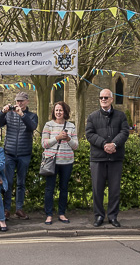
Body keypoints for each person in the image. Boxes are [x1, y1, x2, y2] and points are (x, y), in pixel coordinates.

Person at [85, 88, 130, 228]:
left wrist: (114, 144)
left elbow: (125, 132)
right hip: (98, 158)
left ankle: (112, 216)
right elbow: (89, 134)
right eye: (101, 98)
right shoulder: (92, 117)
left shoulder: (121, 116)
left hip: (115, 158)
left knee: (115, 189)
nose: (103, 100)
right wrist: (104, 144)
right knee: (97, 190)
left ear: (111, 99)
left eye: (106, 97)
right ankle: (98, 216)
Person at [0, 91, 39, 220]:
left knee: (21, 183)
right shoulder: (9, 115)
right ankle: (6, 209)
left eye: (21, 101)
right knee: (8, 182)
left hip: (24, 154)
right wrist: (2, 112)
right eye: (17, 101)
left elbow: (32, 127)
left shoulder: (32, 116)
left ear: (27, 102)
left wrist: (22, 115)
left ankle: (19, 209)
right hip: (10, 153)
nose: (19, 103)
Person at [41, 101, 78, 225]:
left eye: (60, 110)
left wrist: (68, 139)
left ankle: (61, 213)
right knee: (49, 189)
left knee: (64, 188)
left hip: (67, 161)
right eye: (56, 110)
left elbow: (76, 146)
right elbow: (44, 144)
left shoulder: (71, 126)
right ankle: (49, 214)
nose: (58, 112)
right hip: (52, 161)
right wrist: (57, 137)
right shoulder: (48, 125)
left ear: (65, 112)